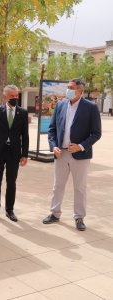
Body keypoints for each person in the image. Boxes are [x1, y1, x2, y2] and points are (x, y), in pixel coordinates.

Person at [43, 78, 101, 231]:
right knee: (58, 185)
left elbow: (96, 133)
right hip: (61, 153)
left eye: (71, 87)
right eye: (67, 87)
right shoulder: (60, 105)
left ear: (80, 90)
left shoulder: (91, 107)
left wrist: (81, 146)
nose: (67, 90)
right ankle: (55, 213)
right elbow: (52, 129)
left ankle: (79, 217)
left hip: (80, 155)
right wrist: (53, 146)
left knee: (80, 187)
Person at [0, 85, 29, 222]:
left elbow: (25, 135)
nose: (15, 98)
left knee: (11, 182)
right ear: (5, 97)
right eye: (12, 96)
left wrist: (25, 154)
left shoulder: (23, 113)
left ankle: (10, 210)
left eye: (16, 96)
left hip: (14, 153)